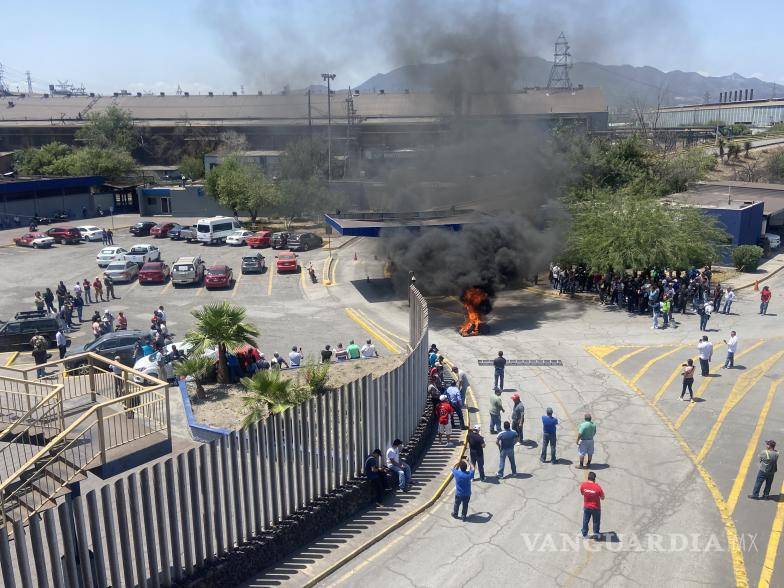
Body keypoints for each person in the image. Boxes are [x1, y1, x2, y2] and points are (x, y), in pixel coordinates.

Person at [580, 472, 605, 539]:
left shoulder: (583, 485)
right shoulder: (598, 487)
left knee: (585, 520)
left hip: (586, 507)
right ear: (594, 479)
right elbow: (602, 498)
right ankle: (596, 534)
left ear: (588, 478)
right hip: (596, 507)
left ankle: (584, 533)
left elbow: (582, 493)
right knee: (596, 522)